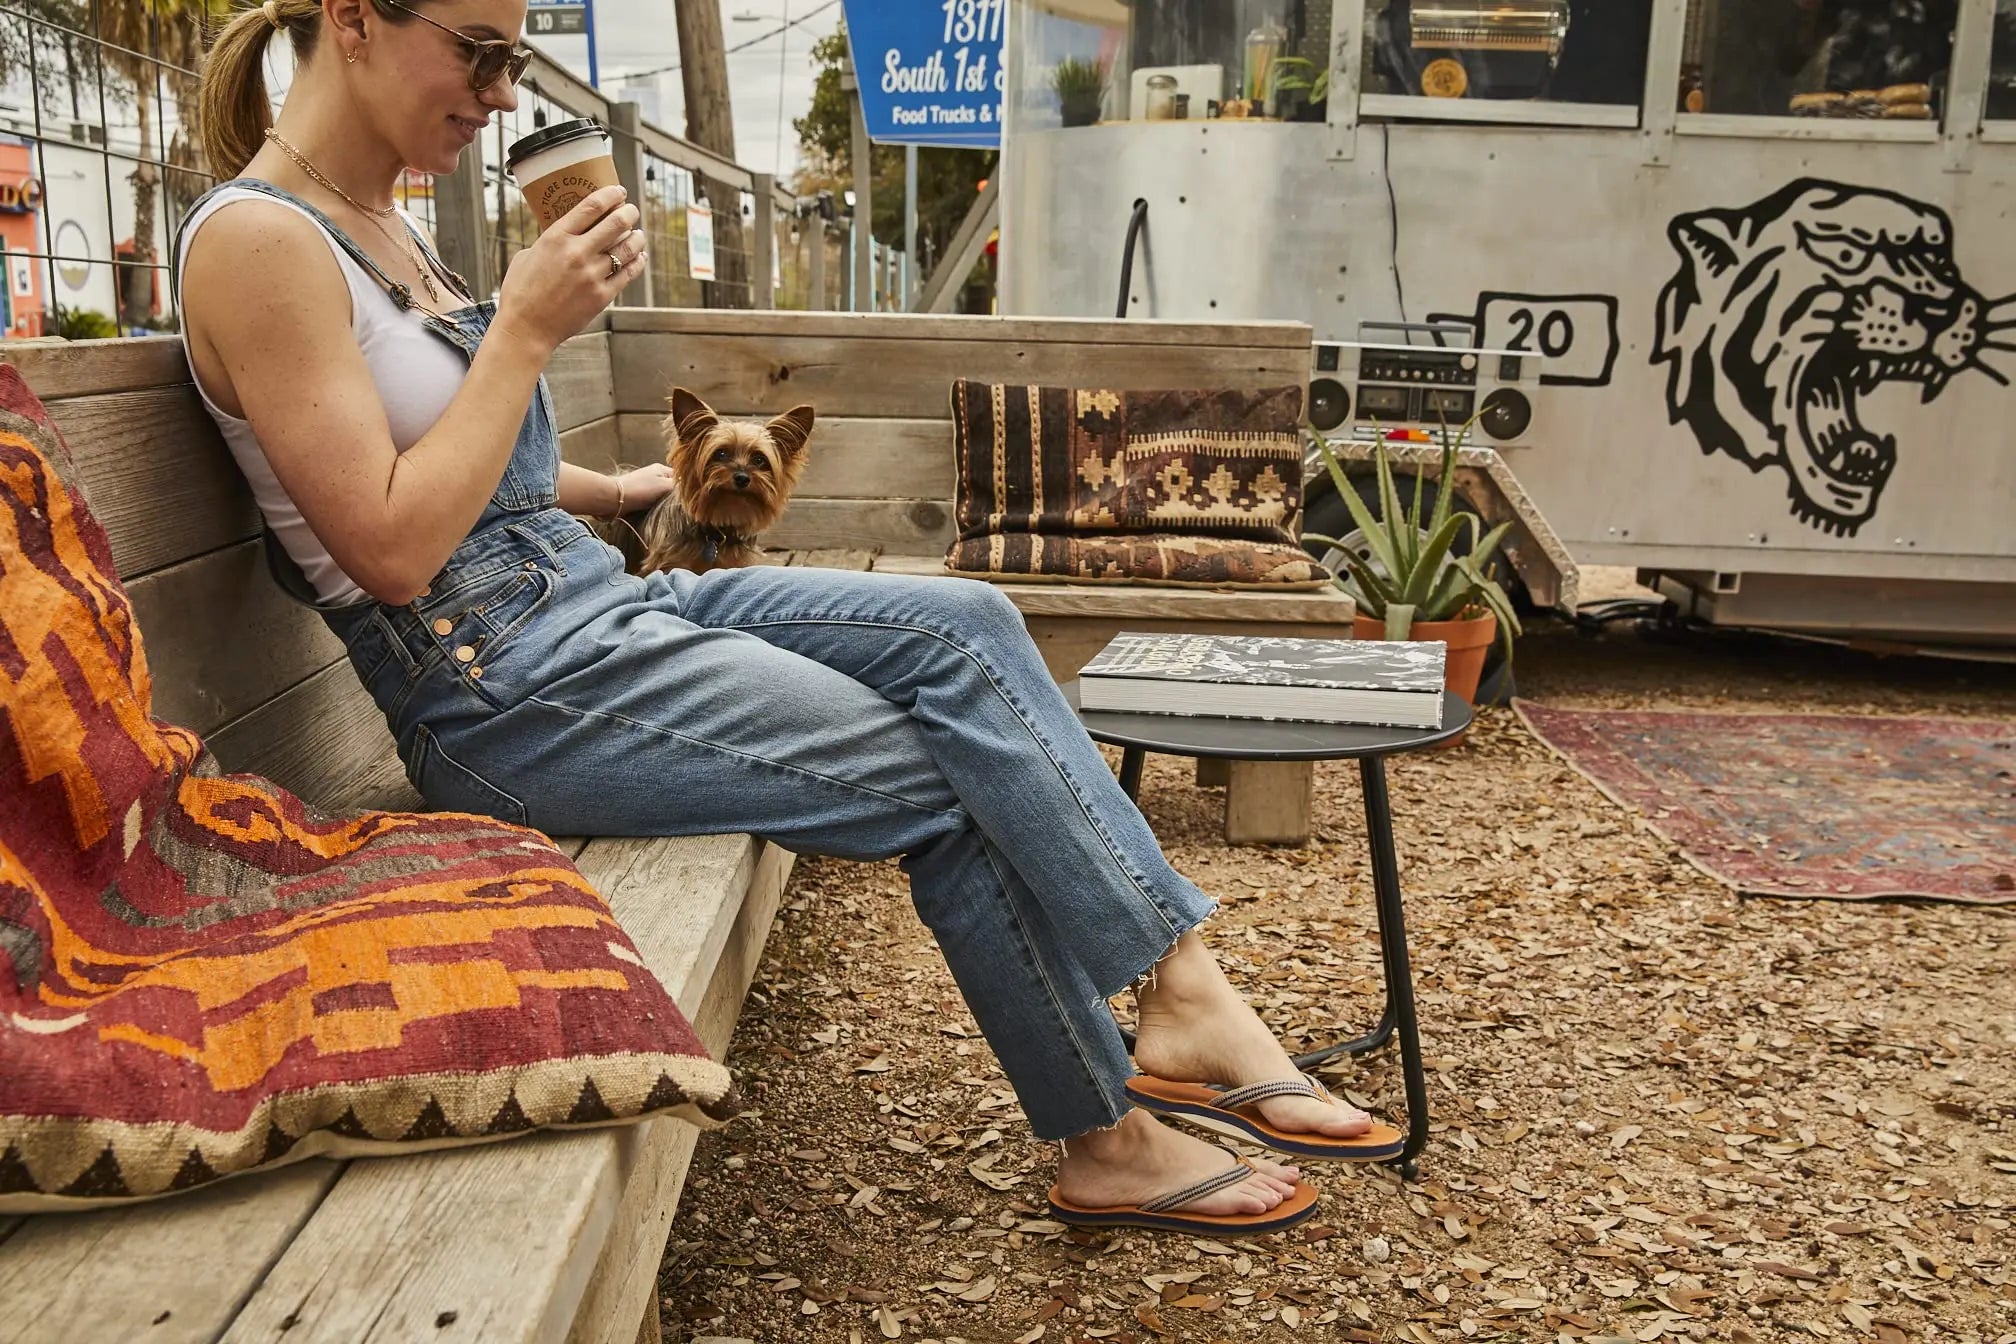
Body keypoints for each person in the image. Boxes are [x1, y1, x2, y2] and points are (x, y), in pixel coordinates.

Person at [177, 0, 1401, 1235]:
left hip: (588, 599)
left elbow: (457, 459)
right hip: (502, 685)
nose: (502, 93)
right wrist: (526, 330)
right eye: (482, 53)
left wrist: (617, 488)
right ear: (354, 19)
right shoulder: (259, 244)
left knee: (969, 625)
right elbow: (390, 548)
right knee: (957, 769)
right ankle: (1110, 1136)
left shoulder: (383, 225)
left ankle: (1180, 984)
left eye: (515, 60)